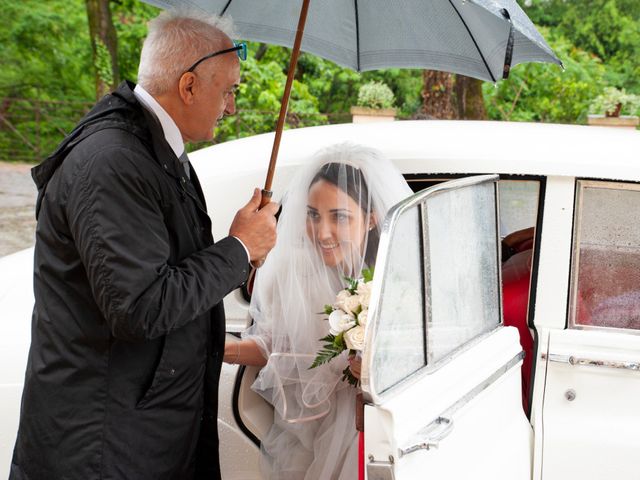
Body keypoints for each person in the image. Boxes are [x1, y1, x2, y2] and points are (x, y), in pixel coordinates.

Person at [10, 11, 278, 480]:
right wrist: (236, 249)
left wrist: (241, 248)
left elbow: (166, 269)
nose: (231, 107)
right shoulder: (112, 161)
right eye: (228, 91)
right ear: (189, 86)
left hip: (141, 428)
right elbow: (140, 306)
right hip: (104, 444)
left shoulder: (152, 149)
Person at [224, 144, 412, 479]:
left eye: (338, 217)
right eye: (312, 215)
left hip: (386, 428)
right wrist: (217, 348)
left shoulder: (400, 276)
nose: (322, 233)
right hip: (317, 429)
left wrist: (373, 367)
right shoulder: (296, 275)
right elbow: (274, 345)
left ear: (370, 218)